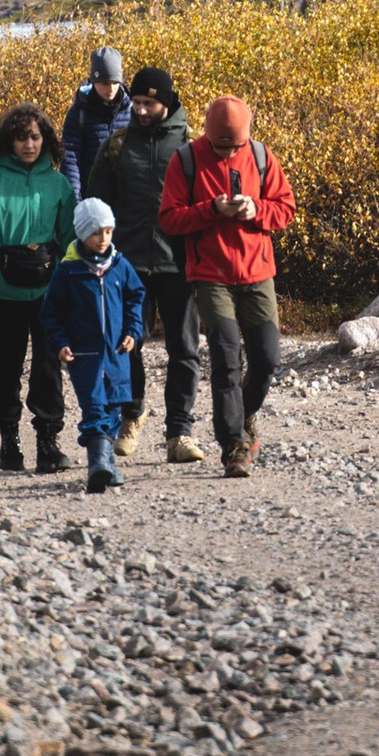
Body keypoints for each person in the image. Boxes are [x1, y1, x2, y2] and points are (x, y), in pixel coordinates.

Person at [155, 89, 297, 477]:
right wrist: (211, 210)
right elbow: (169, 219)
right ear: (207, 135)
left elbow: (285, 209)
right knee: (225, 356)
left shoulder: (264, 157)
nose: (225, 154)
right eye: (219, 148)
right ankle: (234, 446)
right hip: (209, 274)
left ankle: (244, 413)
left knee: (267, 360)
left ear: (246, 137)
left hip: (257, 272)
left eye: (232, 148)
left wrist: (256, 210)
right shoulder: (185, 160)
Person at [84, 61, 201, 463]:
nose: (141, 109)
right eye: (136, 101)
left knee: (184, 349)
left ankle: (179, 432)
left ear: (166, 102)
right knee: (126, 345)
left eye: (149, 102)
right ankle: (132, 415)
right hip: (127, 265)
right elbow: (97, 203)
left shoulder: (191, 146)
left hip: (178, 263)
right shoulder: (117, 144)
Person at [0, 103, 76, 472]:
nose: (29, 144)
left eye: (35, 137)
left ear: (46, 140)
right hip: (2, 291)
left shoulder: (58, 184)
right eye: (22, 137)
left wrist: (71, 287)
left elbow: (71, 240)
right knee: (6, 367)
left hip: (48, 294)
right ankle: (8, 440)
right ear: (9, 141)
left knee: (48, 367)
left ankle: (48, 442)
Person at [38, 197, 149, 494]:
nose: (103, 239)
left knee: (114, 407)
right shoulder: (68, 271)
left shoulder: (120, 266)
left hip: (118, 353)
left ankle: (107, 465)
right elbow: (52, 313)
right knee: (95, 407)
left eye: (109, 232)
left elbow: (135, 298)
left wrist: (132, 331)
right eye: (97, 232)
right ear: (82, 233)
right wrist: (60, 343)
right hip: (84, 355)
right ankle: (97, 464)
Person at [60, 45, 133, 200]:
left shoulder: (133, 111)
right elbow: (71, 161)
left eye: (115, 82)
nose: (111, 88)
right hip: (92, 199)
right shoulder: (78, 113)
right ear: (94, 81)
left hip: (127, 201)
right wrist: (75, 203)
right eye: (105, 83)